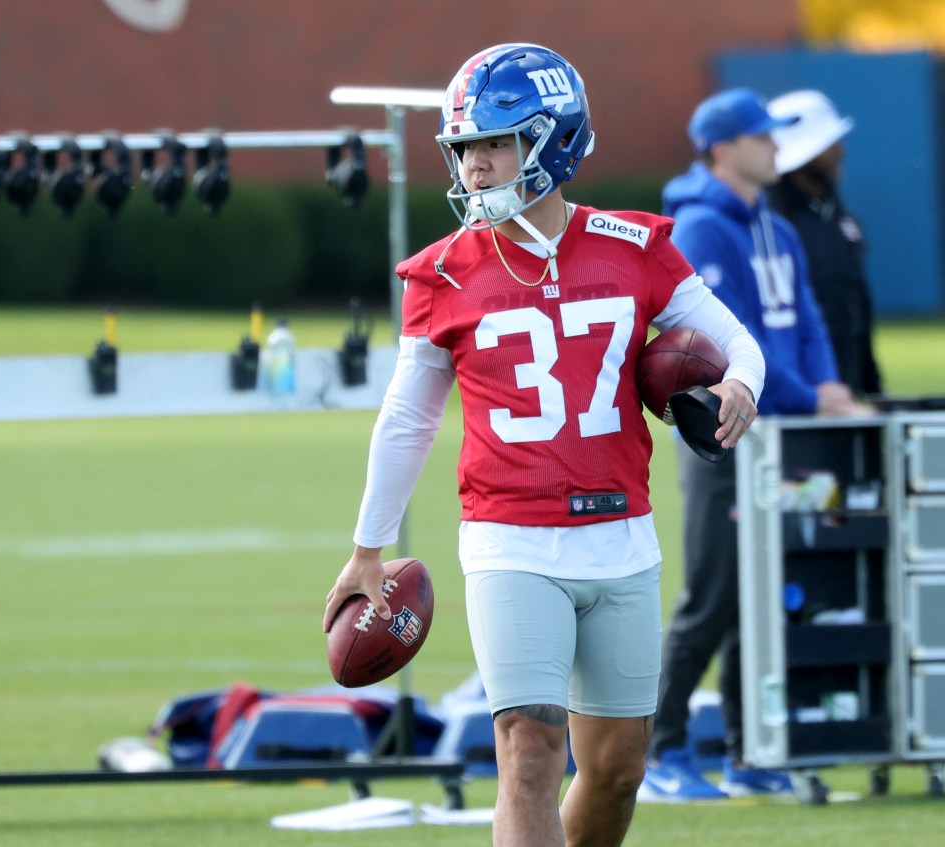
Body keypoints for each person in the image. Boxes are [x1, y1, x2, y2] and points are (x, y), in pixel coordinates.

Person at [322, 45, 764, 846]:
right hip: (510, 540)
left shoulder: (634, 245)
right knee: (529, 751)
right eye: (465, 148)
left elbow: (740, 343)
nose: (475, 166)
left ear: (553, 140)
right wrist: (367, 547)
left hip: (621, 535)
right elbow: (408, 417)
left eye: (495, 144)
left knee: (619, 769)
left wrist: (741, 385)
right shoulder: (442, 272)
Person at [642, 87, 872, 801]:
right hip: (721, 435)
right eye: (761, 136)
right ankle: (658, 752)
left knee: (762, 597)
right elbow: (731, 340)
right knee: (713, 596)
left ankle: (749, 752)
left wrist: (826, 387)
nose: (776, 146)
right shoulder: (700, 228)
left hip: (782, 431)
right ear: (722, 148)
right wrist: (813, 397)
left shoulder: (775, 225)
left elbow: (807, 324)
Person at [766, 89, 883, 397]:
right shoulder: (770, 223)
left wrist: (871, 385)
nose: (839, 151)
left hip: (846, 390)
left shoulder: (840, 216)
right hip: (795, 394)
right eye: (826, 144)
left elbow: (857, 304)